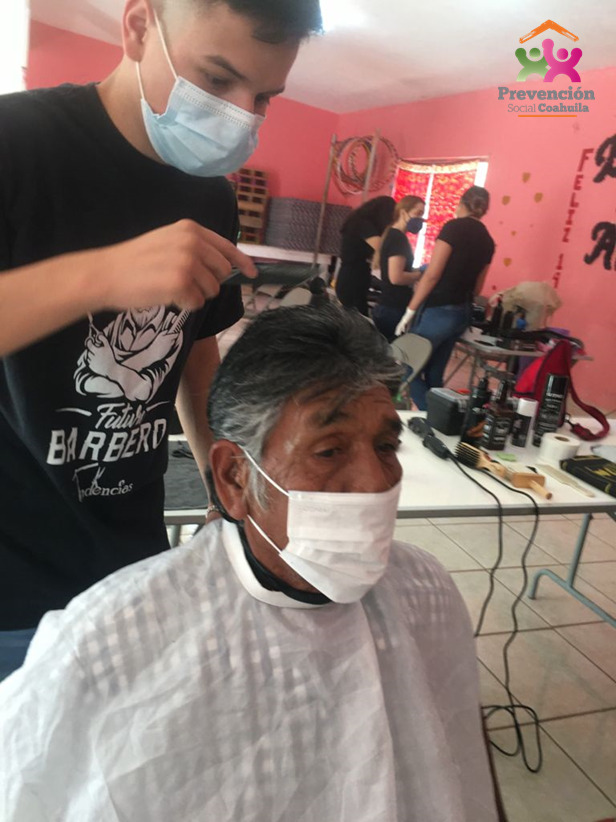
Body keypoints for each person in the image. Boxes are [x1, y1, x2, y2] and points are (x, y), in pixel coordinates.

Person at [0, 304, 504, 821]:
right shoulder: (106, 642)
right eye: (329, 451)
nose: (375, 481)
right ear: (235, 477)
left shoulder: (426, 592)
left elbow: (466, 762)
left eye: (385, 445)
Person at [0, 0, 323, 678]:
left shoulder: (211, 196)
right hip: (14, 582)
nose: (240, 115)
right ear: (140, 27)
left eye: (265, 97)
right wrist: (100, 275)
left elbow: (195, 349)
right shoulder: (16, 144)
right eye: (217, 79)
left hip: (133, 561)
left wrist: (220, 482)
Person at [395, 186, 495, 409]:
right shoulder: (488, 241)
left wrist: (410, 310)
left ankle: (433, 415)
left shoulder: (453, 228)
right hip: (462, 312)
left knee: (407, 366)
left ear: (461, 204)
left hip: (440, 311)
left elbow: (432, 275)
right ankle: (438, 417)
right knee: (434, 374)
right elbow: (478, 288)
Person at [371, 195, 425, 342]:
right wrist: (419, 275)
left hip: (389, 306)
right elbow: (396, 277)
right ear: (403, 213)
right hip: (393, 308)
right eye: (418, 213)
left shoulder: (392, 235)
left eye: (422, 214)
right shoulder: (398, 239)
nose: (420, 219)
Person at [334, 195, 395, 315]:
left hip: (356, 275)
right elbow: (381, 247)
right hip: (352, 278)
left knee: (358, 314)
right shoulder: (362, 224)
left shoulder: (360, 222)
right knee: (357, 316)